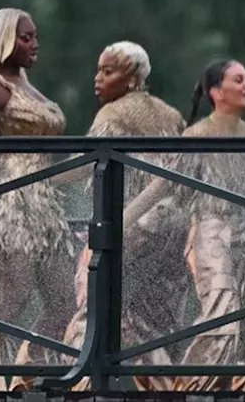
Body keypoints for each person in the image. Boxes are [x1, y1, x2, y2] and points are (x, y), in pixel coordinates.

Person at [58, 41, 190, 391]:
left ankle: (82, 385)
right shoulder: (171, 114)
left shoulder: (113, 115)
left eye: (108, 71)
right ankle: (164, 389)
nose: (97, 79)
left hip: (134, 224)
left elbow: (88, 164)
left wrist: (37, 176)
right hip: (175, 225)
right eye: (98, 70)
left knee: (94, 303)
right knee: (153, 318)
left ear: (132, 78)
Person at [0, 8, 74, 392]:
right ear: (5, 40)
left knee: (64, 301)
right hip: (8, 204)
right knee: (14, 295)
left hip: (45, 205)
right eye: (26, 37)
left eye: (36, 36)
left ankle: (27, 367)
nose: (35, 44)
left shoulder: (26, 84)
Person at [137, 59, 245, 392]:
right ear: (217, 92)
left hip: (244, 234)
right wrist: (127, 222)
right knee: (221, 316)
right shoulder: (196, 135)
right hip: (211, 232)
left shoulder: (244, 131)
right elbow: (166, 187)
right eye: (239, 80)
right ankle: (186, 389)